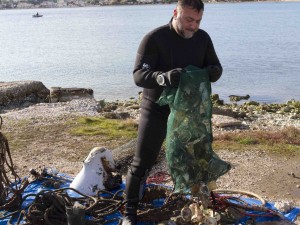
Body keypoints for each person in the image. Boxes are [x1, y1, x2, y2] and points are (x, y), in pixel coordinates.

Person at [122, 0, 223, 224]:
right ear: (175, 12)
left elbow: (216, 68)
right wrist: (163, 77)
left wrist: (210, 72)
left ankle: (201, 207)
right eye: (188, 19)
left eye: (198, 21)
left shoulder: (202, 38)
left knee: (198, 161)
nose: (193, 26)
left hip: (188, 113)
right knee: (142, 162)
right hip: (156, 109)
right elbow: (138, 75)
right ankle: (129, 213)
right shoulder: (155, 38)